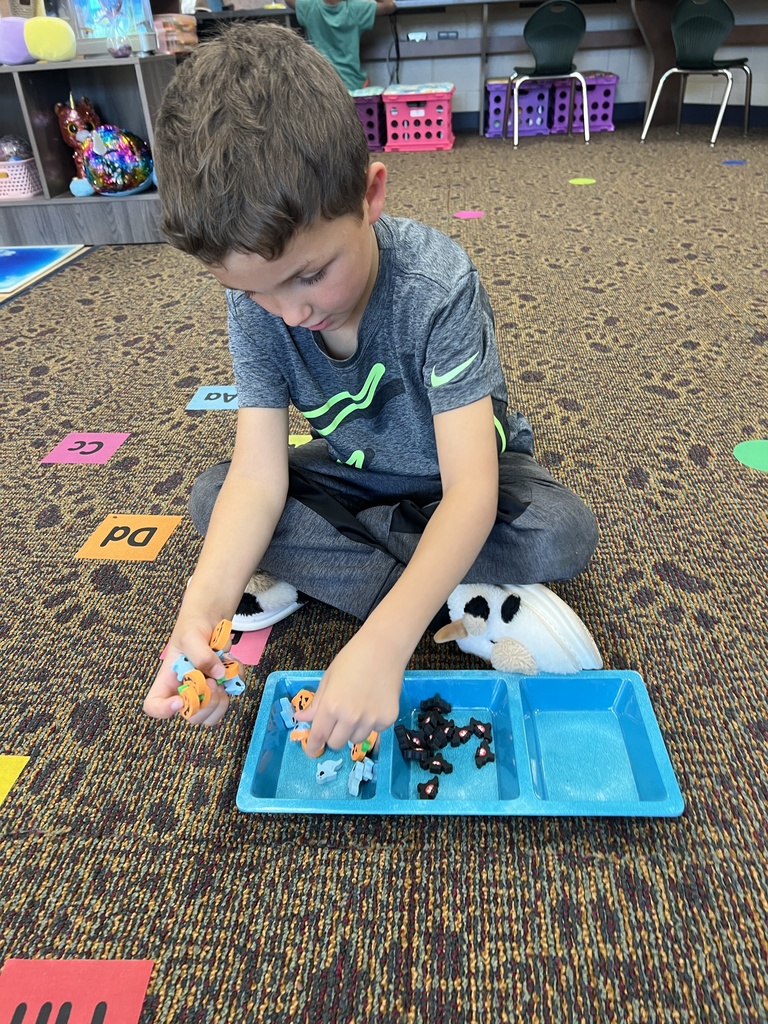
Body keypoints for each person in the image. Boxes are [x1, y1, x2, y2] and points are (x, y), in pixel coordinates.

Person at [142, 23, 600, 754]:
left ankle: (351, 583)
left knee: (562, 533)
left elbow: (473, 493)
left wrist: (385, 642)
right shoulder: (255, 301)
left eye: (310, 275)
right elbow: (260, 477)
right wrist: (200, 609)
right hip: (358, 481)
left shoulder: (435, 285)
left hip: (463, 476)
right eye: (256, 292)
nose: (291, 312)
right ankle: (454, 594)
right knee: (214, 497)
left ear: (371, 194)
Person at [284, 0, 397, 91]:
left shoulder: (309, 6)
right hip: (351, 83)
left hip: (319, 82)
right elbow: (389, 5)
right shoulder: (357, 8)